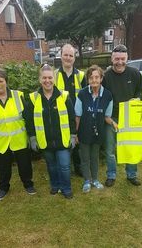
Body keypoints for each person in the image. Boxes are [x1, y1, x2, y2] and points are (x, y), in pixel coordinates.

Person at [0, 67, 36, 201]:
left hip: (20, 139)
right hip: (1, 141)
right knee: (3, 167)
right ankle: (3, 188)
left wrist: (32, 136)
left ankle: (28, 185)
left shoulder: (19, 96)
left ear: (6, 81)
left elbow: (28, 117)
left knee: (25, 165)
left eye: (0, 81)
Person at [27, 64, 76, 199]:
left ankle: (66, 188)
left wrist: (73, 135)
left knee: (65, 166)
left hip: (63, 140)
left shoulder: (64, 96)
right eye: (44, 78)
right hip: (45, 141)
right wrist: (32, 138)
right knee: (52, 166)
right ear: (39, 79)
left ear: (54, 79)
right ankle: (55, 185)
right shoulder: (33, 98)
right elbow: (29, 120)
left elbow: (72, 118)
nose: (47, 81)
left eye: (50, 77)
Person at [102, 44, 142, 187]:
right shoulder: (105, 76)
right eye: (116, 59)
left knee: (130, 147)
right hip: (110, 118)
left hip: (130, 118)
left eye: (123, 59)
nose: (119, 62)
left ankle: (131, 175)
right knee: (110, 149)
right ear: (111, 59)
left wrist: (137, 99)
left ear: (127, 58)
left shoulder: (135, 74)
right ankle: (111, 175)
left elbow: (140, 92)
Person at [75, 65, 114, 193]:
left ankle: (95, 179)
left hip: (98, 132)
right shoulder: (82, 94)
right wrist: (75, 134)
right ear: (88, 80)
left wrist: (114, 123)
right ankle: (87, 180)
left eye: (97, 77)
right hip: (84, 132)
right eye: (91, 78)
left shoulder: (108, 95)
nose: (94, 80)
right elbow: (78, 116)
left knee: (94, 157)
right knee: (85, 158)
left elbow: (107, 116)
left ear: (101, 78)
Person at [55, 44, 86, 176]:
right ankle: (62, 167)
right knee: (61, 142)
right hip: (59, 116)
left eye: (71, 55)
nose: (68, 58)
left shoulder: (81, 76)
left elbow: (86, 96)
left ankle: (78, 168)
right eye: (65, 55)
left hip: (78, 116)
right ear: (61, 56)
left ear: (74, 58)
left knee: (78, 143)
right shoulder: (53, 75)